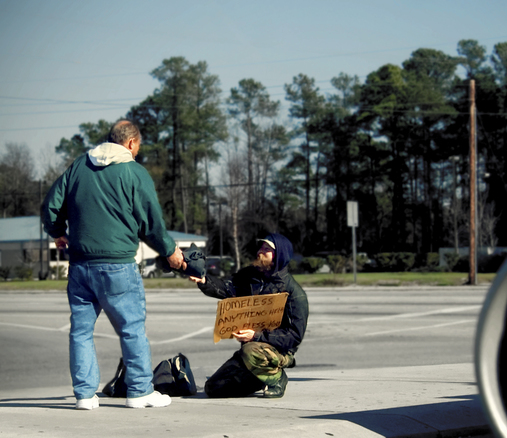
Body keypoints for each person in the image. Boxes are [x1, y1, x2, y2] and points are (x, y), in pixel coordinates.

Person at [41, 119, 186, 410]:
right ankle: (140, 392)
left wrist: (57, 232)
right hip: (118, 266)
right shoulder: (133, 171)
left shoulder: (79, 166)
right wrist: (170, 252)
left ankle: (84, 395)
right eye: (138, 147)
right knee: (131, 329)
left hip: (81, 266)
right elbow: (150, 223)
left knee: (80, 332)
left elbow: (50, 205)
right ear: (131, 143)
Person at [189, 233, 308, 398]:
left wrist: (256, 336)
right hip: (252, 349)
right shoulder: (250, 276)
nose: (260, 252)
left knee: (250, 350)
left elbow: (294, 336)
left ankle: (277, 378)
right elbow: (228, 289)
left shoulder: (294, 293)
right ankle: (259, 377)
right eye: (261, 247)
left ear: (279, 255)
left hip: (277, 351)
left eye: (267, 249)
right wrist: (204, 281)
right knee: (213, 388)